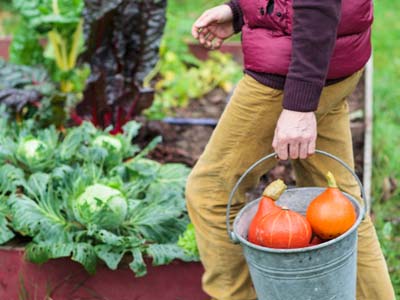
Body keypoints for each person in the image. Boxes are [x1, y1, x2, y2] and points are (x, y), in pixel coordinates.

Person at [186, 1, 396, 300]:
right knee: (339, 207)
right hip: (327, 61)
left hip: (290, 74)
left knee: (210, 191)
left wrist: (299, 105)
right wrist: (240, 11)